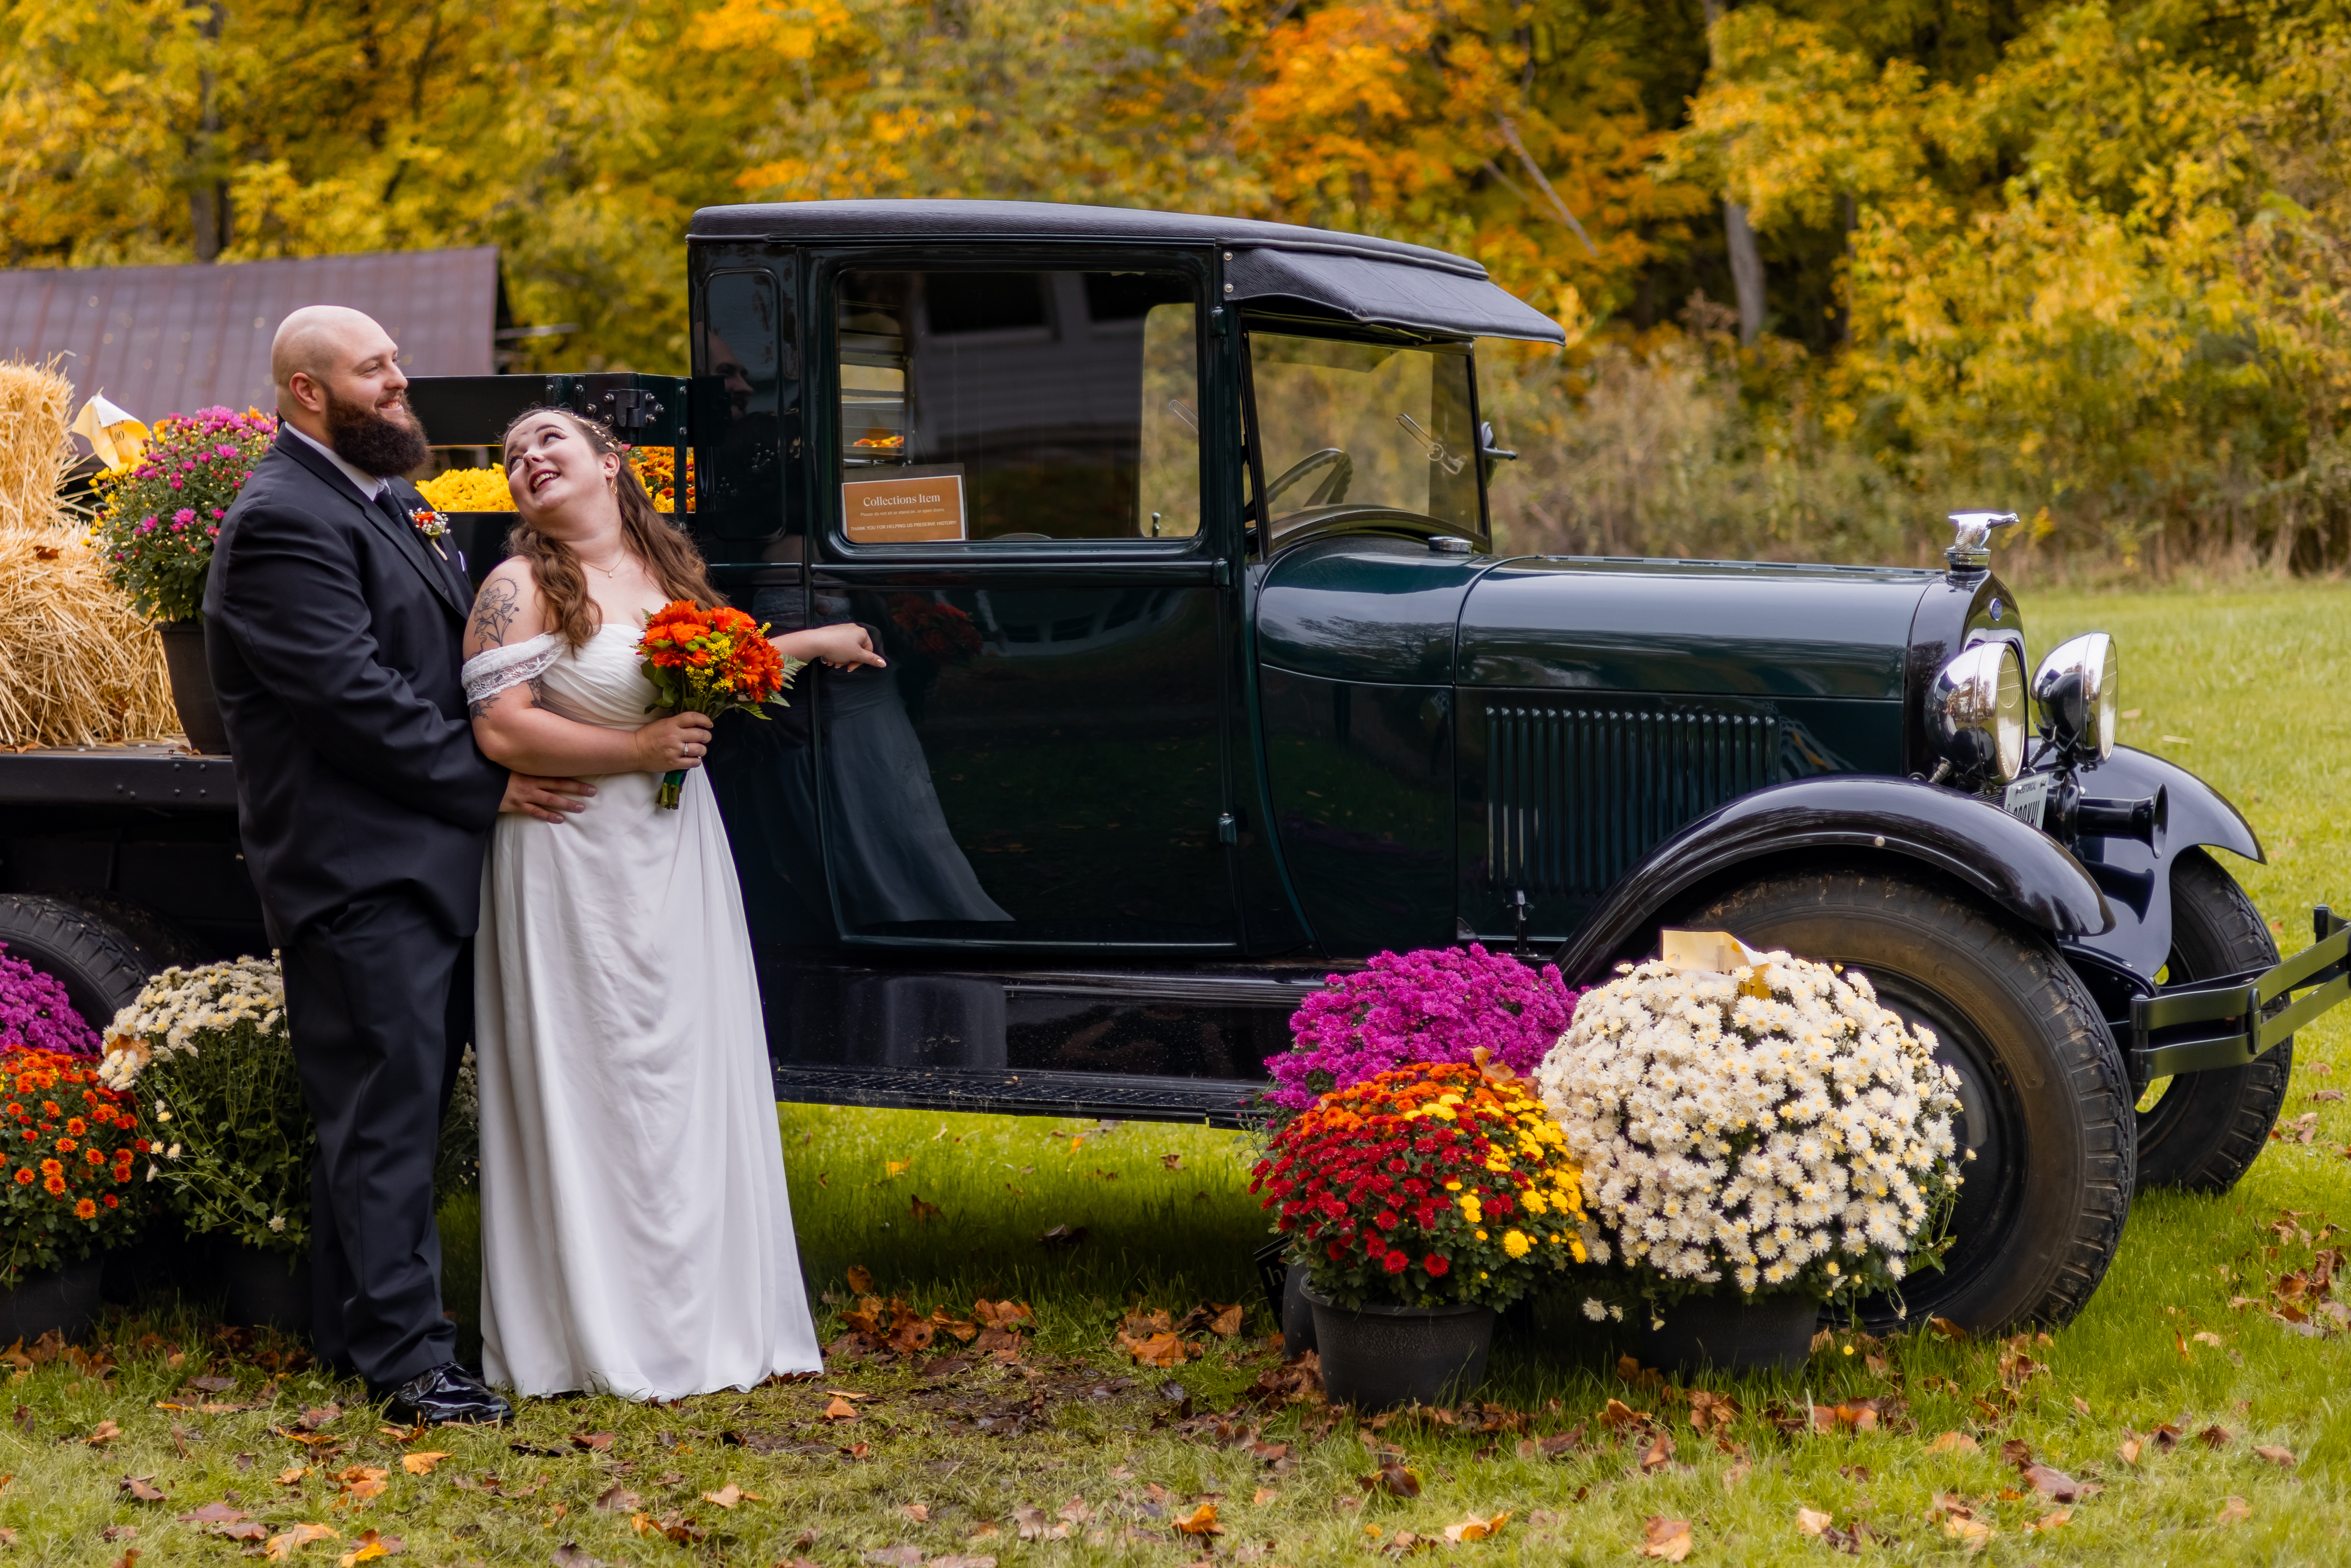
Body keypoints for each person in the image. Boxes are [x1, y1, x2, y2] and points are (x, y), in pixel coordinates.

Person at [205, 305, 592, 1427]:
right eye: (374, 370)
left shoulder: (386, 498)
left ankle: (354, 1327)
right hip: (355, 866)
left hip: (413, 856)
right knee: (386, 1112)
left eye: (394, 363)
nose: (399, 382)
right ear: (306, 392)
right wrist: (494, 785)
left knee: (392, 1108)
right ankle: (414, 1364)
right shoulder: (282, 519)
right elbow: (352, 701)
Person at [461, 406, 882, 1400]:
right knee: (596, 1076)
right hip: (567, 857)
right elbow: (502, 734)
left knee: (685, 1072)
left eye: (548, 442)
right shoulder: (516, 586)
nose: (528, 459)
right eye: (513, 454)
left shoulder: (668, 577)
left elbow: (715, 676)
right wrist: (636, 753)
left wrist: (812, 643)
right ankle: (592, 1329)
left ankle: (702, 1315)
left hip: (678, 852)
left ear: (611, 464)